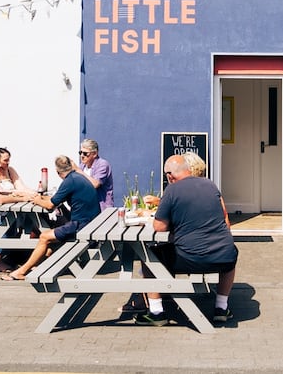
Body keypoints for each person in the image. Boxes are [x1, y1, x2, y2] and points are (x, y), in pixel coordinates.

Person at [136, 155, 238, 326]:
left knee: (150, 256)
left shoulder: (172, 191)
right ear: (188, 169)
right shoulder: (210, 185)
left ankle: (156, 312)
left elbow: (159, 227)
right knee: (229, 252)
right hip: (224, 258)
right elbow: (225, 220)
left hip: (191, 258)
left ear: (170, 175)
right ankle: (221, 307)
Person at [1, 155, 100, 281]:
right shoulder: (78, 178)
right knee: (49, 234)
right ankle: (36, 266)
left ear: (58, 172)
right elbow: (54, 200)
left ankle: (22, 271)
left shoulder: (69, 182)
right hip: (90, 222)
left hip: (81, 226)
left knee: (44, 236)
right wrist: (37, 198)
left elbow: (49, 205)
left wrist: (37, 200)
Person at [74, 138, 114, 210]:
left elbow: (95, 184)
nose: (82, 156)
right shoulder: (82, 166)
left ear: (95, 154)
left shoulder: (103, 164)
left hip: (101, 209)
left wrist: (79, 171)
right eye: (80, 153)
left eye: (85, 153)